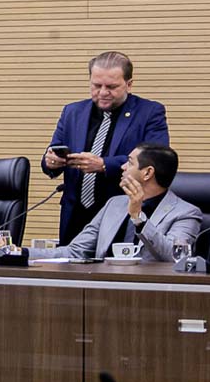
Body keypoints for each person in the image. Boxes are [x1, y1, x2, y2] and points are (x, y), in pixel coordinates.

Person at [41, 51, 169, 244]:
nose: (102, 92)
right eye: (96, 85)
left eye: (111, 87)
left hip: (122, 212)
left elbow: (156, 160)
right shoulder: (72, 112)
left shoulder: (149, 112)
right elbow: (51, 154)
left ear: (129, 84)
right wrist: (51, 161)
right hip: (75, 214)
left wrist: (104, 165)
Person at [32, 143, 201, 262]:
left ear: (147, 173)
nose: (122, 167)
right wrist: (22, 253)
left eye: (129, 162)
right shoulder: (114, 204)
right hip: (103, 286)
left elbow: (175, 257)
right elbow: (74, 251)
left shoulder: (185, 213)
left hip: (151, 292)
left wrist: (138, 218)